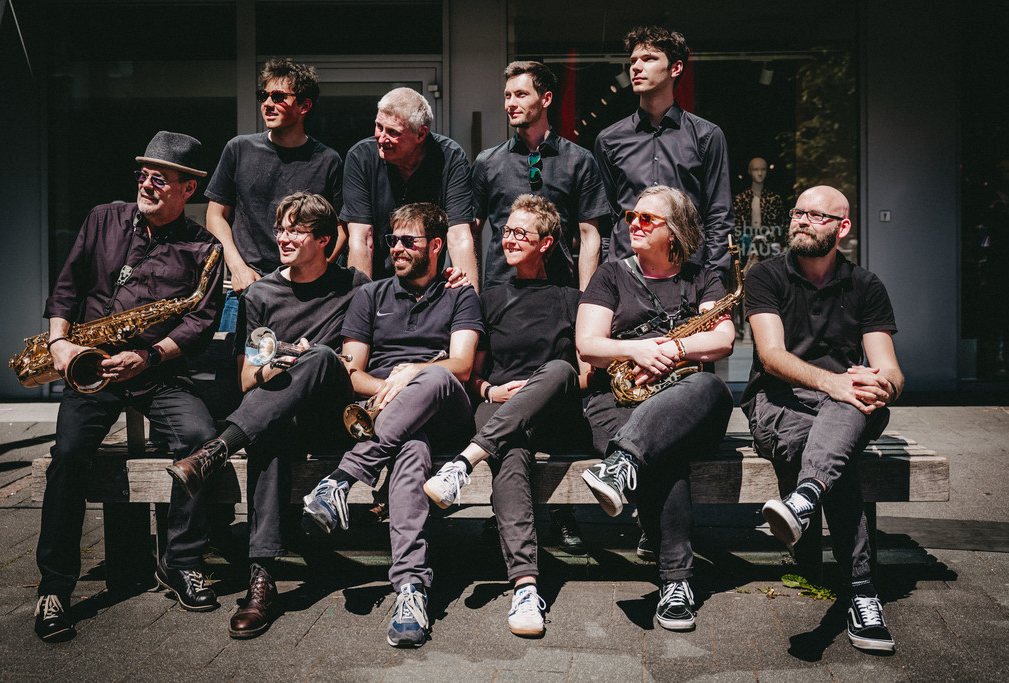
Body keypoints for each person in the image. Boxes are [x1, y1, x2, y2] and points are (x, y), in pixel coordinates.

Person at [35, 131, 224, 642]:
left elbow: (201, 321)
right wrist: (59, 343)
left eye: (160, 179)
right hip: (91, 365)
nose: (146, 184)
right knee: (68, 453)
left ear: (188, 189)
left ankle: (181, 563)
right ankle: (54, 586)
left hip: (156, 370)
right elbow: (67, 285)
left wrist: (149, 355)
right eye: (144, 175)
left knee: (200, 440)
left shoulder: (203, 247)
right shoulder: (103, 218)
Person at [167, 191, 369, 639]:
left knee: (320, 356)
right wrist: (277, 366)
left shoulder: (354, 286)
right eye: (280, 228)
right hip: (278, 417)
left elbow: (354, 364)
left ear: (323, 239)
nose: (282, 238)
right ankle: (261, 580)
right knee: (271, 433)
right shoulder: (261, 293)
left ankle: (216, 450)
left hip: (331, 417)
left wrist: (309, 360)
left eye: (295, 230)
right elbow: (245, 378)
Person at [302, 203, 483, 648]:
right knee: (411, 450)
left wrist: (414, 373)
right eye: (392, 240)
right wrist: (395, 386)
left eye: (408, 241)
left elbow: (461, 366)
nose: (396, 248)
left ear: (436, 246)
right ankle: (410, 589)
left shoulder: (460, 294)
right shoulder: (370, 295)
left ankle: (342, 479)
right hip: (391, 417)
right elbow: (352, 373)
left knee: (435, 377)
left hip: (445, 410)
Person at [742, 185, 904, 653]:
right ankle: (862, 592)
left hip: (846, 403)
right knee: (840, 455)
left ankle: (804, 497)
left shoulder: (866, 285)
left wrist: (884, 386)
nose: (801, 220)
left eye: (816, 215)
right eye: (798, 212)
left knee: (851, 405)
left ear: (842, 227)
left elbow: (890, 368)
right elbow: (771, 356)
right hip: (779, 402)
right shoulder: (765, 275)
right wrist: (834, 383)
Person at [422, 194, 593, 637]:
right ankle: (525, 588)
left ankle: (463, 463)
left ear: (546, 243)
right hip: (498, 410)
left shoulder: (572, 299)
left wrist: (538, 390)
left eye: (521, 233)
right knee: (510, 451)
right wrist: (491, 390)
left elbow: (583, 375)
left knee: (559, 370)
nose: (509, 239)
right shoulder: (490, 299)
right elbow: (473, 375)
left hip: (554, 413)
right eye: (506, 231)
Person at [576, 185, 735, 631]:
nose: (635, 224)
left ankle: (623, 463)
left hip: (688, 401)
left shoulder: (702, 277)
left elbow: (723, 339)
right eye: (632, 216)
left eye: (647, 218)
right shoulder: (610, 274)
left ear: (675, 231)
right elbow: (588, 345)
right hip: (618, 401)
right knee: (664, 451)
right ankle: (676, 583)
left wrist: (673, 348)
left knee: (710, 385)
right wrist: (636, 350)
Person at [205, 58, 345, 316]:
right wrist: (237, 268)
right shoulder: (239, 149)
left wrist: (317, 269)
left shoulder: (327, 160)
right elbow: (215, 215)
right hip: (247, 287)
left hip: (307, 292)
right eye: (264, 96)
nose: (267, 104)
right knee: (240, 345)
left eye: (278, 97)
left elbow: (339, 229)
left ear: (304, 106)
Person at [595, 26, 734, 272]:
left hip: (688, 272)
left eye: (649, 59)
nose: (636, 67)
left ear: (675, 68)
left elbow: (718, 215)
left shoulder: (706, 136)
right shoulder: (609, 140)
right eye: (633, 61)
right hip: (626, 272)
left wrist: (713, 279)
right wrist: (609, 272)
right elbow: (607, 219)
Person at [472, 61, 607, 290]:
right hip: (500, 294)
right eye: (507, 96)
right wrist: (472, 296)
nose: (511, 104)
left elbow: (589, 236)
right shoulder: (488, 162)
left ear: (546, 99)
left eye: (521, 94)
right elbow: (470, 233)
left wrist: (586, 300)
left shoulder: (579, 160)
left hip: (560, 291)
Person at [341, 88, 477, 288]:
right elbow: (362, 239)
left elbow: (459, 236)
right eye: (379, 126)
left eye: (393, 132)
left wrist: (469, 302)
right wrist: (362, 300)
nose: (381, 138)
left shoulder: (450, 158)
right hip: (375, 279)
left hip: (427, 281)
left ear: (421, 134)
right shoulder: (361, 158)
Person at [732, 156, 785, 267]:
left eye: (763, 169)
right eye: (756, 169)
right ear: (749, 171)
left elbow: (781, 226)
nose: (760, 173)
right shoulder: (741, 199)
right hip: (746, 248)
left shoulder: (774, 199)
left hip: (769, 248)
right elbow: (736, 227)